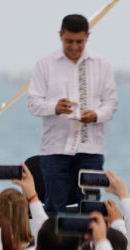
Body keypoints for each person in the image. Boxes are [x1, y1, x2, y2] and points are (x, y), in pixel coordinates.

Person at [27, 14, 118, 214]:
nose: (75, 46)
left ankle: (91, 245)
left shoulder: (102, 64)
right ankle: (54, 245)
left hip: (91, 149)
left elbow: (111, 104)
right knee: (54, 206)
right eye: (69, 41)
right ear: (60, 35)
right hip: (55, 148)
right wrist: (54, 107)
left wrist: (95, 115)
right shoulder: (45, 64)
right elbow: (33, 104)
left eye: (80, 41)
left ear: (87, 36)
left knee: (91, 205)